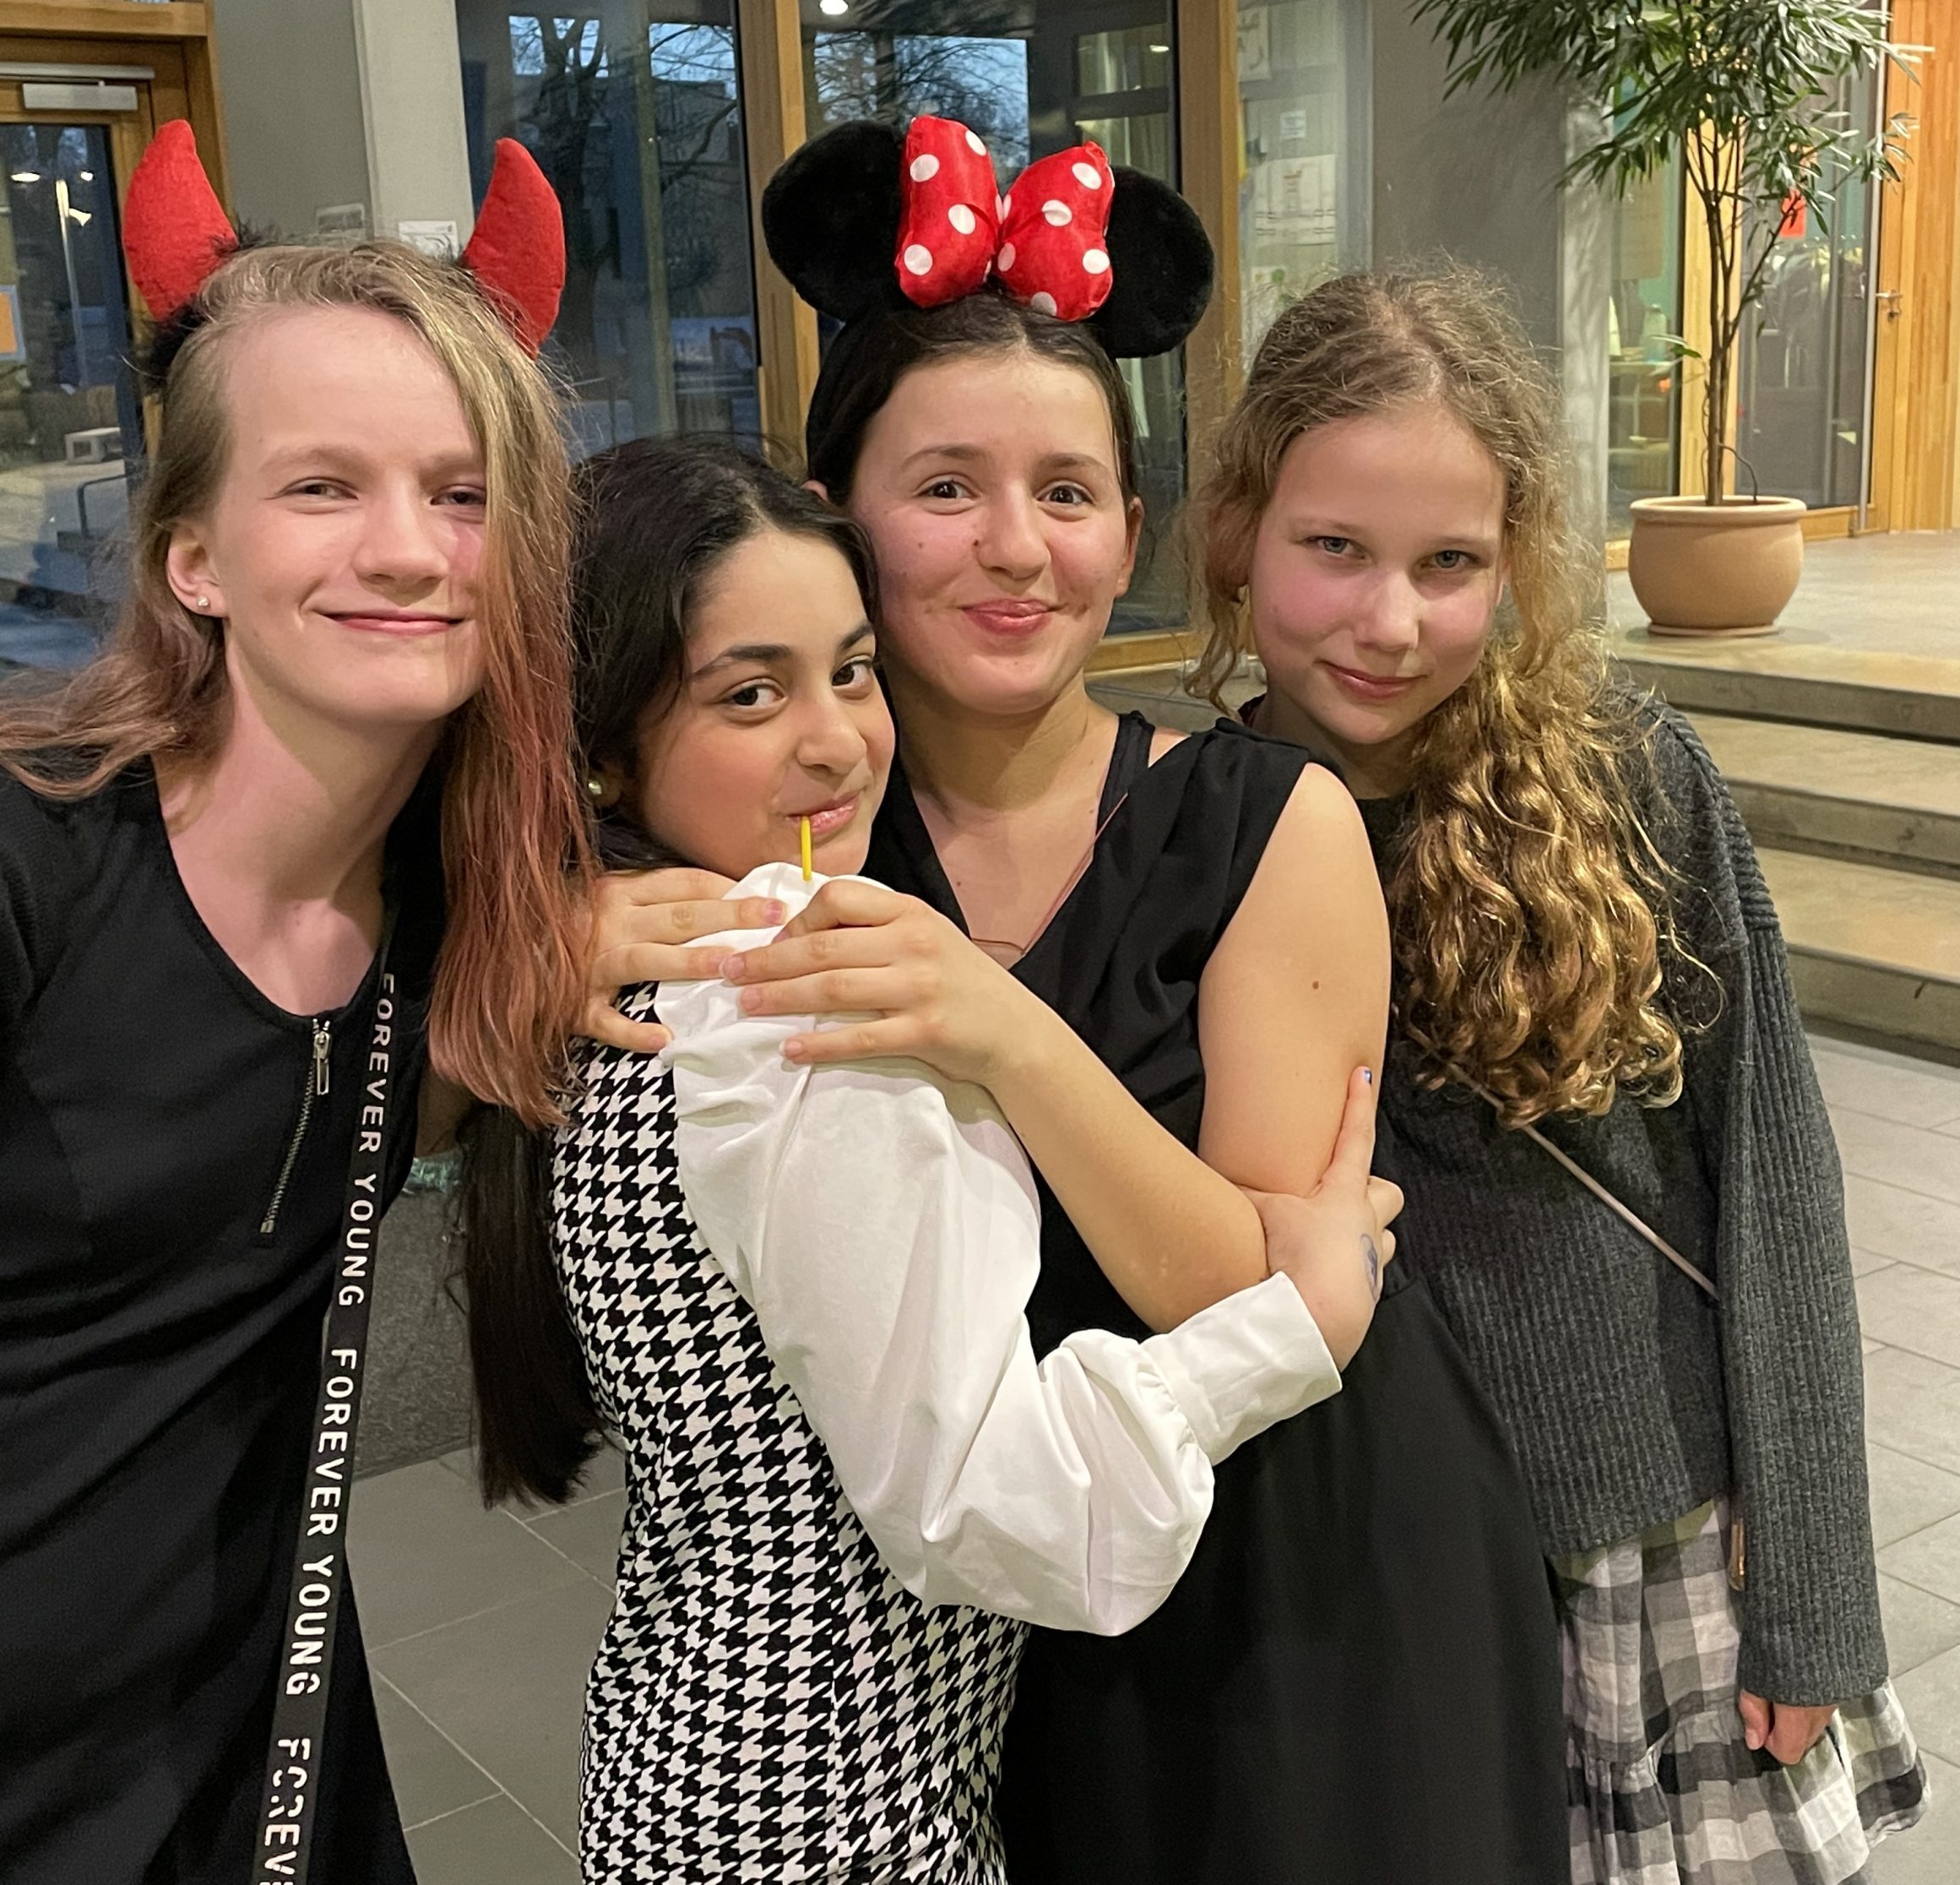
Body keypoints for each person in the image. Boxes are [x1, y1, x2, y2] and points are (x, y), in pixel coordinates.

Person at [594, 118, 1571, 1883]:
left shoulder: (1267, 820)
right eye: (943, 488)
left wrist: (1006, 1033)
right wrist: (565, 923)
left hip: (1296, 1567)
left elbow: (1258, 1287)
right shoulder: (799, 823)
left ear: (1130, 530)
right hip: (967, 1639)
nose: (1013, 548)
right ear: (837, 515)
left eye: (1065, 492)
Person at [0, 124, 587, 1882]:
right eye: (321, 488)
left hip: (263, 1743)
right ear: (190, 558)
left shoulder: (460, 900)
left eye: (463, 494)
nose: (408, 550)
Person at [462, 432, 1399, 1881]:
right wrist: (1295, 1326)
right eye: (750, 693)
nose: (836, 740)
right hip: (834, 1818)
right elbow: (1009, 1511)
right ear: (601, 744)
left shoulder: (613, 959)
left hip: (677, 1765)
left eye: (851, 671)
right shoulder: (791, 1006)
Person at [1193, 264, 1928, 1885]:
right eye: (1335, 548)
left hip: (1645, 1553)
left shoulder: (1627, 776)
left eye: (1448, 563)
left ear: (1517, 558)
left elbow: (1774, 1170)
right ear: (1238, 532)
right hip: (1366, 1568)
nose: (1391, 622)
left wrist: (1814, 1573)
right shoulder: (1189, 824)